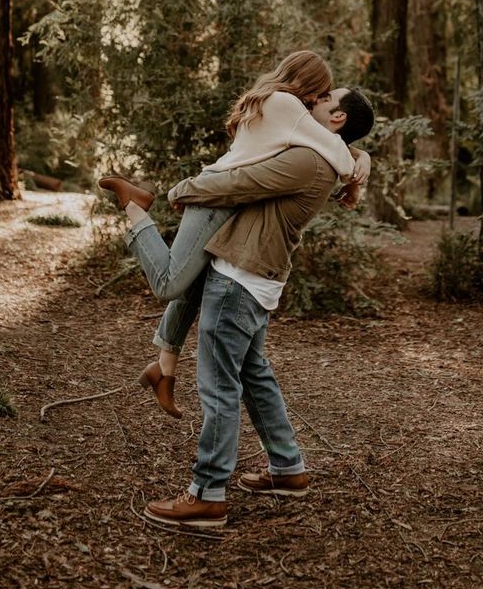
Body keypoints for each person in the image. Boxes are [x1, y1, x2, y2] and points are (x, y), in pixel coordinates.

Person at [141, 85, 375, 530]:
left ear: (338, 117)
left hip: (238, 278)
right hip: (257, 276)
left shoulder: (308, 159)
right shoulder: (321, 152)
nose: (316, 99)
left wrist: (187, 188)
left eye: (327, 98)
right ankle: (288, 468)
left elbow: (242, 181)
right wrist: (361, 160)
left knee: (218, 386)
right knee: (253, 374)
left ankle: (207, 495)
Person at [99, 52, 370, 414]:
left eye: (325, 96)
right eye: (321, 91)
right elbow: (333, 150)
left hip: (224, 193)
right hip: (218, 195)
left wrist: (361, 153)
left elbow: (326, 141)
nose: (319, 100)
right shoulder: (287, 104)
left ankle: (164, 370)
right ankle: (134, 205)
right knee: (169, 284)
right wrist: (357, 169)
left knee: (193, 285)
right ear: (307, 83)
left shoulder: (275, 100)